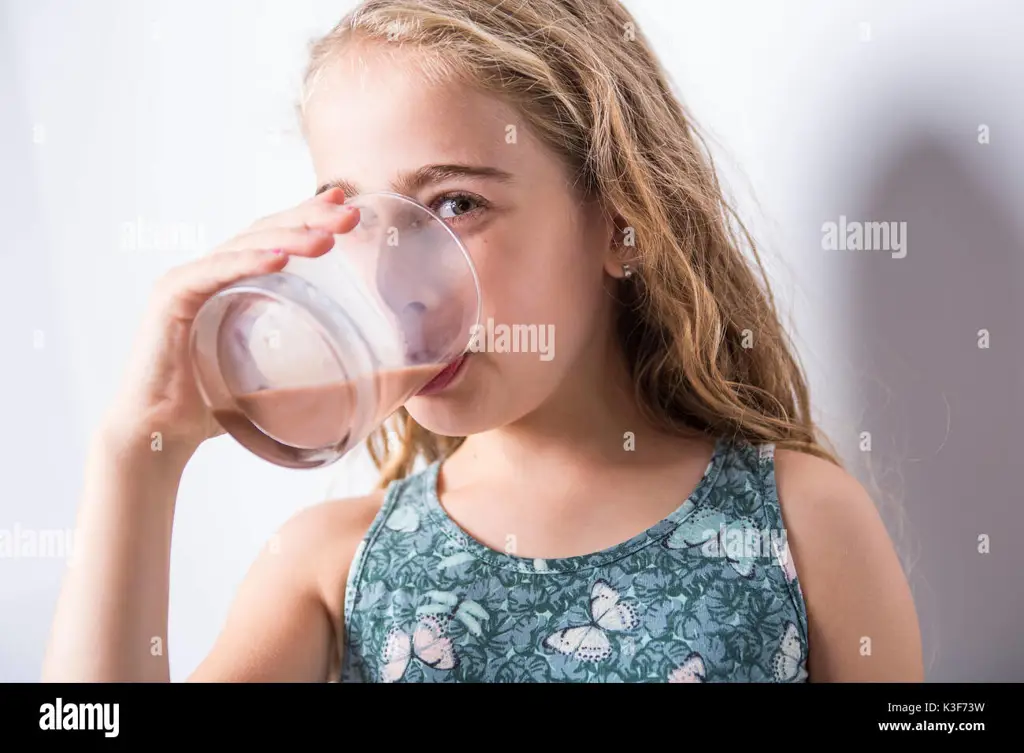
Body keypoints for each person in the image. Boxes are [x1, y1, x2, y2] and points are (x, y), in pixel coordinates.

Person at [42, 0, 923, 683]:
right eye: (351, 217)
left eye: (456, 204)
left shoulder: (800, 525)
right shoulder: (331, 569)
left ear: (620, 219)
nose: (397, 275)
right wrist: (137, 452)